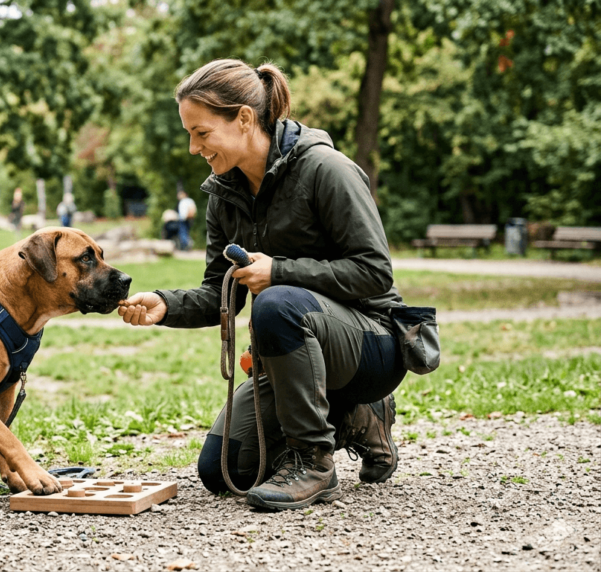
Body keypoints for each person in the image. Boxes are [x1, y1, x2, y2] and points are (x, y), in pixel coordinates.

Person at [118, 60, 405, 511]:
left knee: (275, 302)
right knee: (220, 469)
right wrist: (163, 305)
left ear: (245, 119)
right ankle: (356, 418)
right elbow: (220, 294)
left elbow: (374, 272)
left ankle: (314, 462)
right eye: (190, 134)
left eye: (202, 133)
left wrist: (280, 271)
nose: (194, 147)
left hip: (374, 343)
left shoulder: (327, 169)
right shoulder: (223, 195)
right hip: (297, 351)